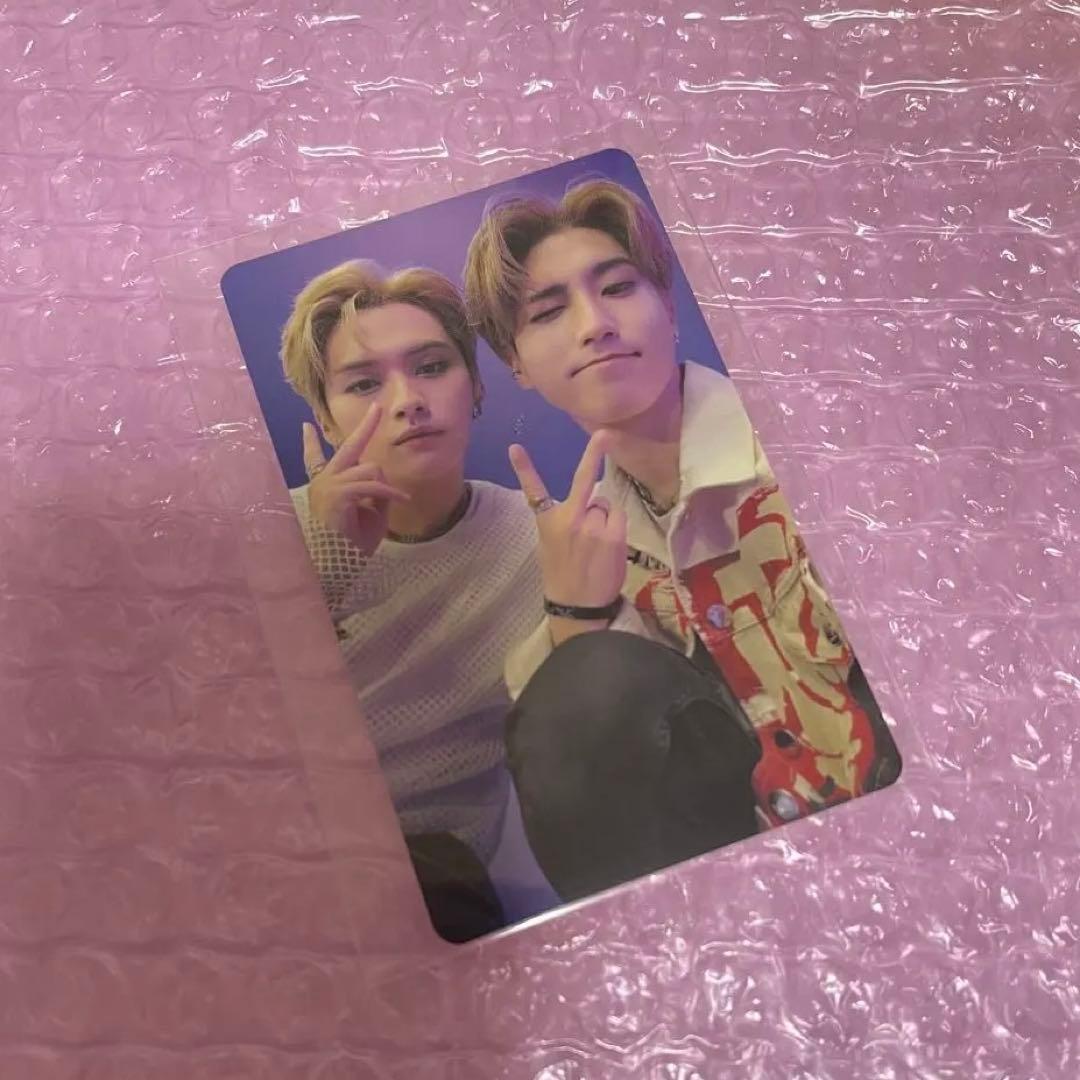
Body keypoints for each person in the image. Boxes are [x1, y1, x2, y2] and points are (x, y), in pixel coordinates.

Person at [464, 179, 901, 901]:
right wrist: (574, 617)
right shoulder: (594, 547)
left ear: (668, 306)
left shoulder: (814, 442)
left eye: (618, 288)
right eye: (548, 311)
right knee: (579, 689)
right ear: (516, 362)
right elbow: (602, 786)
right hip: (770, 890)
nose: (595, 324)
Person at [280, 260, 544, 940]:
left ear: (475, 386)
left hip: (438, 874)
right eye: (364, 384)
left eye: (431, 367)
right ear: (325, 419)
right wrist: (324, 567)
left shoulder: (538, 537)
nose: (407, 401)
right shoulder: (272, 534)